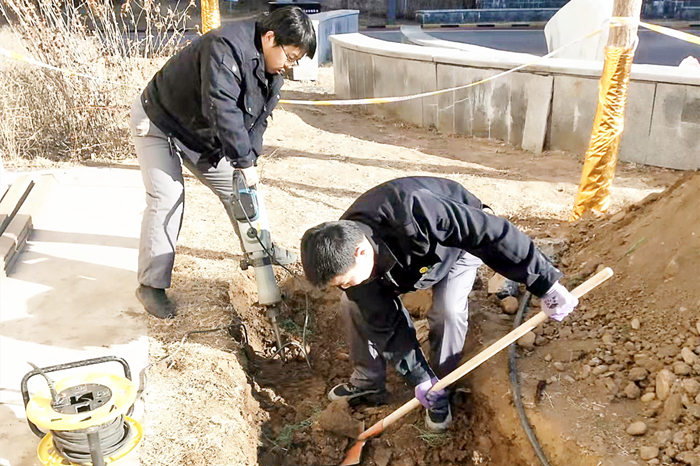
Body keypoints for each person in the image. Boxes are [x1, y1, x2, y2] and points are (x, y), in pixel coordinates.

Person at [300, 176, 577, 432]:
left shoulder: (415, 211)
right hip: (404, 270)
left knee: (449, 311)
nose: (345, 285)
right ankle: (370, 381)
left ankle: (443, 384)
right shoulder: (345, 253)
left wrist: (546, 283)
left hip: (455, 250)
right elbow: (386, 325)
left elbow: (490, 234)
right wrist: (418, 376)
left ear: (361, 252)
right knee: (353, 304)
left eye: (345, 280)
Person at [130, 7, 316, 318]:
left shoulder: (272, 72)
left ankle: (261, 253)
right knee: (168, 198)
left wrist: (249, 162)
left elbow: (257, 122)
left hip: (201, 134)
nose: (289, 66)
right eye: (290, 56)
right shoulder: (225, 47)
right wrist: (242, 160)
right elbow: (221, 107)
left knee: (241, 193)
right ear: (271, 38)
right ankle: (151, 286)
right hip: (160, 121)